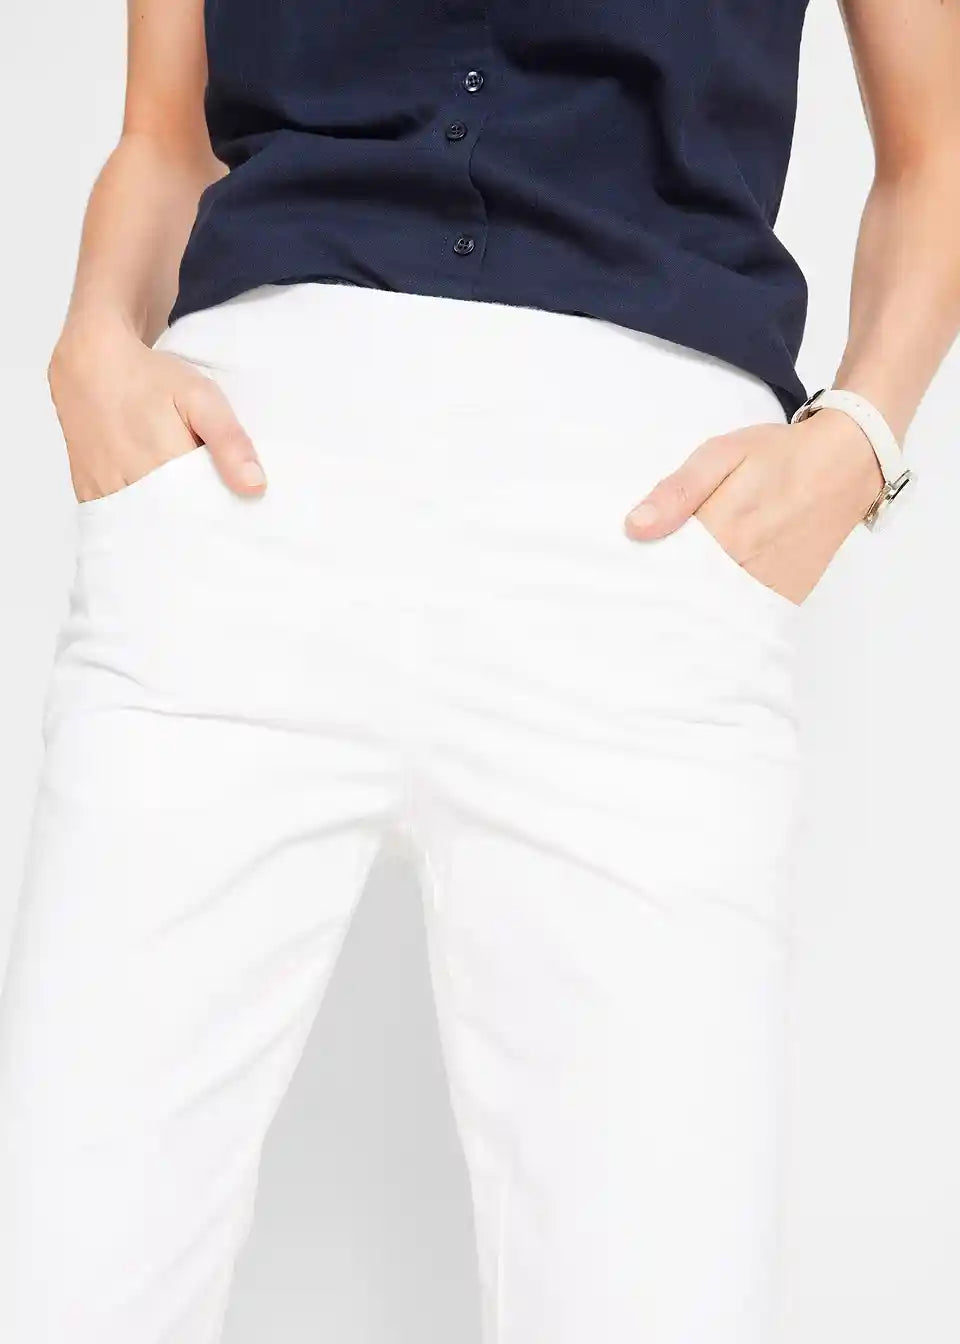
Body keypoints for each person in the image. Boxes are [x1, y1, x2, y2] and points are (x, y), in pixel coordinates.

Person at [1, 0, 957, 1340]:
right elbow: (163, 136)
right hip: (238, 507)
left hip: (641, 556)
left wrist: (858, 437)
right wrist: (95, 339)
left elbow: (938, 150)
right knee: (65, 1275)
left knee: (655, 1299)